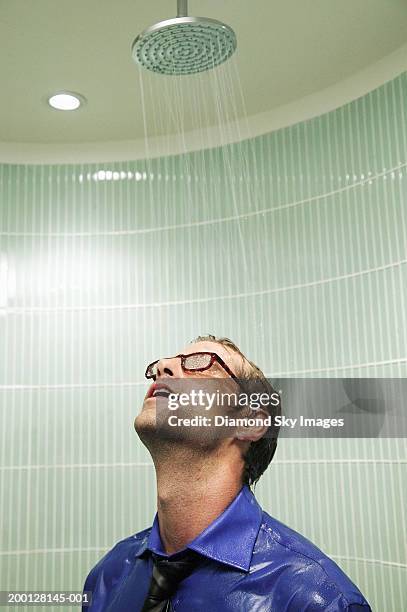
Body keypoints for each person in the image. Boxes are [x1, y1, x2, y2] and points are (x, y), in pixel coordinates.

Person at [82, 335, 372, 611]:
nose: (162, 366)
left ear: (251, 424)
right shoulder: (107, 575)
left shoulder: (315, 599)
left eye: (200, 363)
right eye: (165, 362)